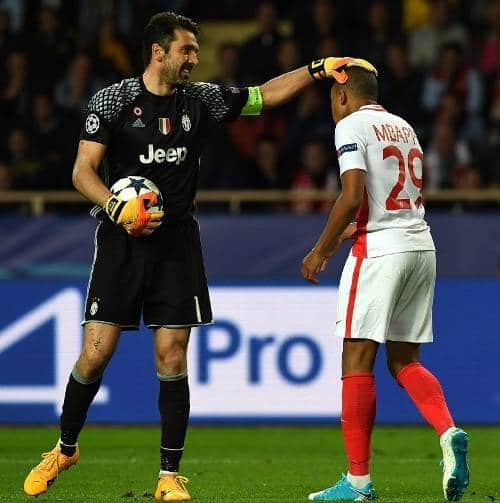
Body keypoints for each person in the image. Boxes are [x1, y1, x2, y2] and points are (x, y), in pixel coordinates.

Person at [23, 11, 345, 502]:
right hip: (121, 242)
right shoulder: (112, 101)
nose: (195, 58)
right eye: (187, 50)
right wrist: (116, 205)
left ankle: (168, 476)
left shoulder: (201, 100)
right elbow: (82, 170)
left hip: (177, 244)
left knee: (172, 356)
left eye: (195, 49)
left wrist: (316, 69)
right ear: (159, 52)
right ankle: (65, 449)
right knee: (96, 353)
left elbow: (264, 96)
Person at [301, 57, 470, 501]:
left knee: (356, 361)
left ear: (342, 95)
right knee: (404, 360)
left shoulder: (350, 125)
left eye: (333, 100)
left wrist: (321, 249)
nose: (333, 108)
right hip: (420, 246)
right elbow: (394, 196)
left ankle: (358, 483)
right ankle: (448, 431)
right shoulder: (404, 127)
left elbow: (351, 194)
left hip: (379, 252)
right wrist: (353, 229)